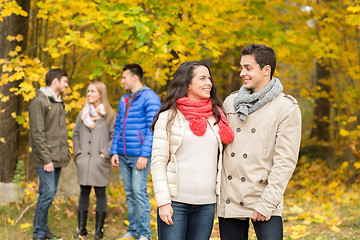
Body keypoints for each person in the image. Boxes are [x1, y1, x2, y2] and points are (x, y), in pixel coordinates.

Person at [217, 44, 302, 240]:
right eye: (241, 67)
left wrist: (268, 203)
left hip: (263, 196)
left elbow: (285, 161)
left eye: (248, 68)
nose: (241, 73)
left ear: (266, 70)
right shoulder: (231, 102)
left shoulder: (285, 107)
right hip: (231, 195)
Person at [151, 61, 234, 240]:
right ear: (187, 83)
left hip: (207, 204)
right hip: (175, 202)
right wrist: (163, 202)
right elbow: (158, 162)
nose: (209, 83)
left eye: (209, 78)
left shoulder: (217, 117)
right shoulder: (169, 117)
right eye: (202, 78)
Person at [111, 63, 161, 240]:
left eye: (124, 77)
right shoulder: (124, 100)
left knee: (139, 193)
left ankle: (144, 234)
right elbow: (118, 127)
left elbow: (152, 128)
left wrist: (144, 154)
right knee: (130, 194)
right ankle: (133, 230)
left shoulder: (150, 98)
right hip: (123, 155)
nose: (122, 81)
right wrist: (114, 151)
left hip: (139, 155)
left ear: (135, 77)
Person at [29, 69, 71, 240]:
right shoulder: (39, 102)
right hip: (46, 159)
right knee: (47, 193)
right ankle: (38, 232)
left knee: (49, 193)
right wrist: (46, 160)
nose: (67, 85)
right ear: (55, 81)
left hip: (57, 157)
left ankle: (43, 229)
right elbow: (37, 133)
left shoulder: (58, 102)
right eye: (65, 82)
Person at [72, 81, 116, 239]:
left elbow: (114, 137)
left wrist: (105, 153)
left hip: (100, 162)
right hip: (84, 161)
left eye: (93, 91)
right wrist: (78, 154)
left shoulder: (110, 115)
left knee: (100, 194)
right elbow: (75, 134)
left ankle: (99, 230)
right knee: (83, 193)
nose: (89, 94)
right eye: (88, 91)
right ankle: (81, 229)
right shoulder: (82, 113)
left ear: (101, 94)